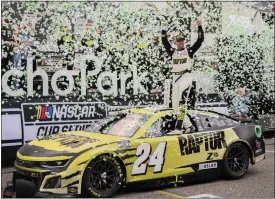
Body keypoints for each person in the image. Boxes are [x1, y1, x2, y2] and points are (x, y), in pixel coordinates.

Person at [161, 19, 204, 132]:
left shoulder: (189, 51)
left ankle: (178, 128)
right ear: (176, 42)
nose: (180, 42)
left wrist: (200, 27)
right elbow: (164, 41)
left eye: (182, 41)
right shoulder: (173, 52)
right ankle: (188, 126)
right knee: (175, 107)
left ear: (184, 42)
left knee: (181, 102)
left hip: (186, 76)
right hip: (175, 78)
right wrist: (164, 28)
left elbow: (200, 40)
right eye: (178, 41)